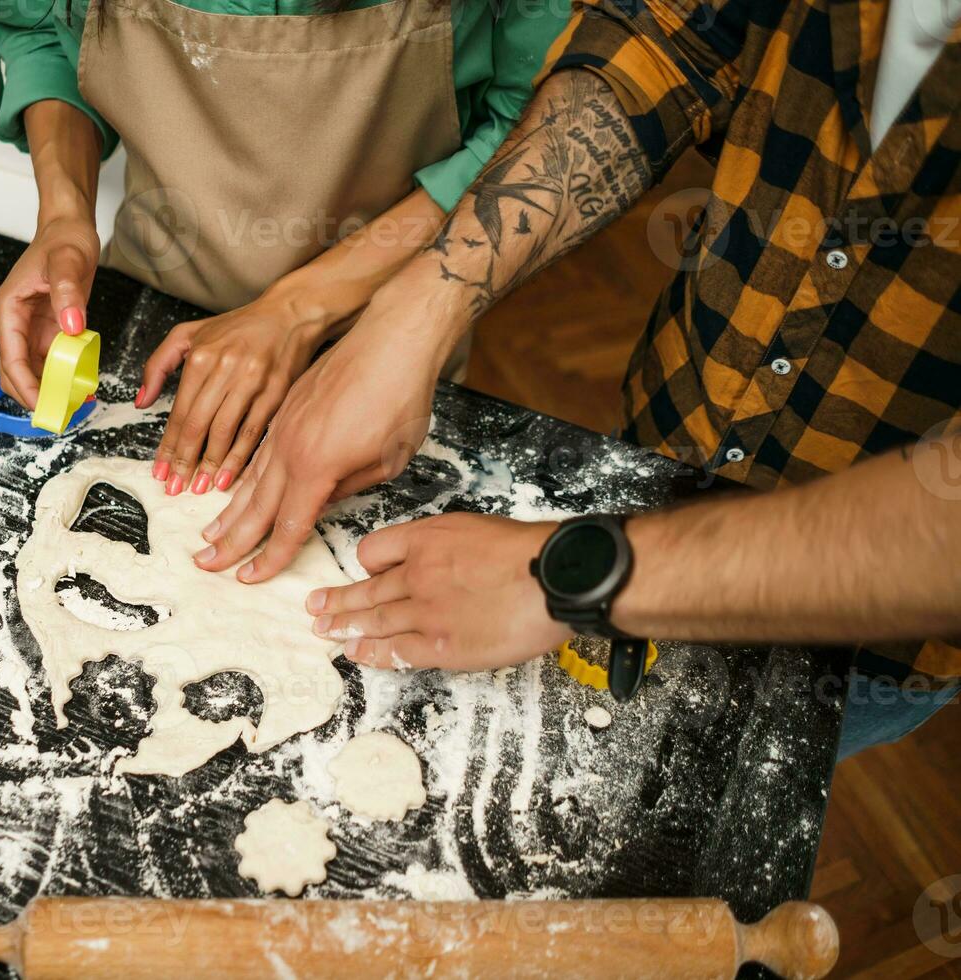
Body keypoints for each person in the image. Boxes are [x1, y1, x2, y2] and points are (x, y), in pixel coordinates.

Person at [192, 0, 961, 752]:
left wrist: (578, 576)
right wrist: (418, 308)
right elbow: (665, 44)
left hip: (871, 637)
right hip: (666, 453)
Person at [0, 0, 570, 493]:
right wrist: (64, 214)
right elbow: (39, 29)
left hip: (382, 333)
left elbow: (537, 128)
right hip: (150, 295)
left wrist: (295, 309)